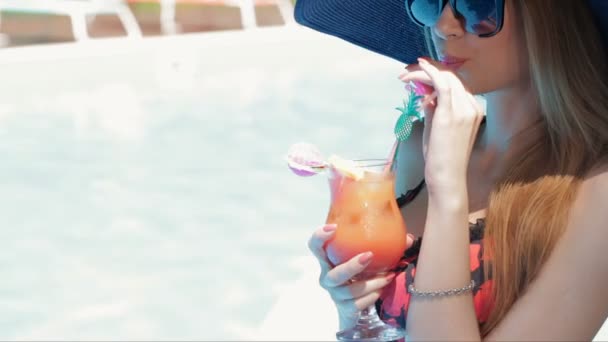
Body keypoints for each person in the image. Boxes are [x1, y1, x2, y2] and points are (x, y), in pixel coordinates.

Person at [297, 0, 608, 340]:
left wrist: (447, 191)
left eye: (476, 5)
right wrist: (355, 313)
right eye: (431, 2)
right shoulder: (416, 145)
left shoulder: (597, 189)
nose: (444, 26)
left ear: (553, 18)